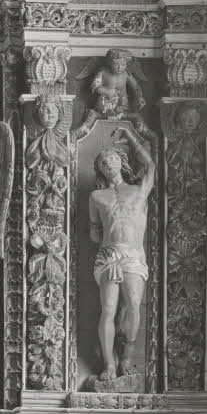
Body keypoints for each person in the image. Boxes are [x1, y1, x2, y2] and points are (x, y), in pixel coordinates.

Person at [88, 125, 155, 380]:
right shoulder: (96, 196)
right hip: (109, 255)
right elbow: (94, 233)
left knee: (134, 306)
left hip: (134, 255)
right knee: (108, 309)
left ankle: (126, 357)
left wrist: (131, 139)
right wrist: (110, 238)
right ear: (100, 169)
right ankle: (109, 365)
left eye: (112, 158)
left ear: (122, 161)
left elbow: (151, 167)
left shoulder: (139, 191)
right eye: (103, 162)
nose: (108, 163)